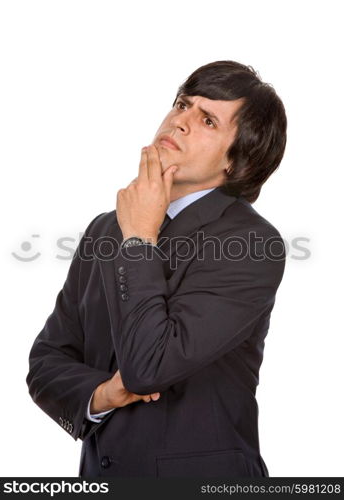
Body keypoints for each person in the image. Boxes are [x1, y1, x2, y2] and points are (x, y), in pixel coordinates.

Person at [26, 60, 287, 478]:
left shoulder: (252, 243)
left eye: (206, 120)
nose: (180, 121)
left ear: (236, 163)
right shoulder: (106, 227)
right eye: (182, 104)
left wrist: (139, 241)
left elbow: (148, 368)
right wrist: (102, 395)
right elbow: (46, 362)